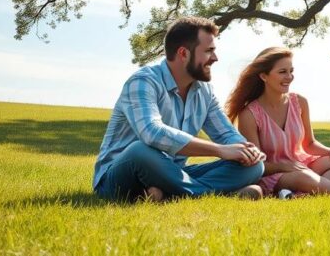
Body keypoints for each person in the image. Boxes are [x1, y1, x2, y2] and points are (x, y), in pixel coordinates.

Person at [93, 16, 265, 202]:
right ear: (183, 53)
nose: (215, 58)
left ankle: (169, 194)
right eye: (208, 51)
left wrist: (246, 150)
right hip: (121, 175)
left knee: (254, 166)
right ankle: (206, 194)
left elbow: (226, 134)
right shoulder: (143, 81)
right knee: (140, 150)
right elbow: (152, 133)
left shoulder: (204, 91)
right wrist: (220, 150)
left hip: (173, 173)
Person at [226, 47, 330, 198]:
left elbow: (309, 144)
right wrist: (285, 166)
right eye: (282, 72)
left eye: (291, 71)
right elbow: (256, 165)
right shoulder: (249, 114)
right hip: (274, 174)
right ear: (263, 76)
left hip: (301, 164)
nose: (289, 77)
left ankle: (297, 196)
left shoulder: (300, 102)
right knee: (305, 177)